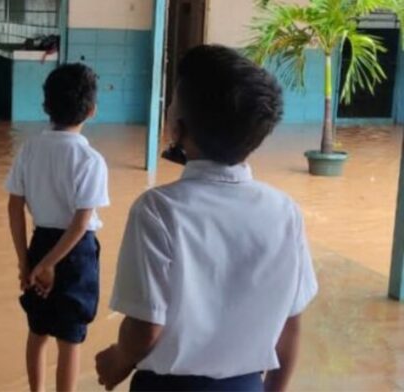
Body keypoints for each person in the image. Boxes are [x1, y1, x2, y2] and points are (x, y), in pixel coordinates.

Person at [95, 45, 318, 392]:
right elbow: (290, 328)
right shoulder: (285, 211)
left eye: (173, 101)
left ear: (177, 128)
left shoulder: (157, 209)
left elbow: (144, 327)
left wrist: (117, 361)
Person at [5, 63, 109, 392]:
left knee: (37, 331)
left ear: (46, 106)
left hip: (39, 242)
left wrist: (27, 262)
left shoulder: (30, 149)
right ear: (91, 110)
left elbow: (14, 205)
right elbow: (81, 221)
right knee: (69, 340)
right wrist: (51, 264)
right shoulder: (90, 159)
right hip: (75, 254)